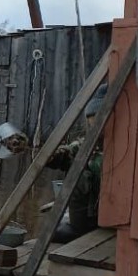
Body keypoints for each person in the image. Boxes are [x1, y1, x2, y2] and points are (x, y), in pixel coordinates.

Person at [47, 82, 106, 242]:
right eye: (91, 121)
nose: (94, 126)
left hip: (102, 216)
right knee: (52, 231)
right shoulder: (86, 145)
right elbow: (66, 154)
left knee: (81, 176)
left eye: (97, 120)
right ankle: (78, 226)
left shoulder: (120, 150)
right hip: (84, 218)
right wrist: (52, 156)